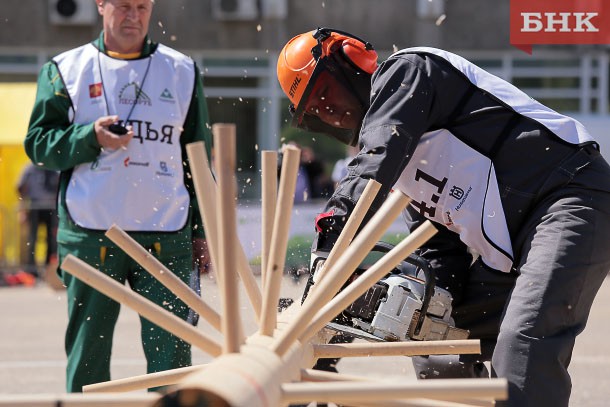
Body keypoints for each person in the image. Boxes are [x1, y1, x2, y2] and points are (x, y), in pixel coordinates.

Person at [276, 27, 610, 407]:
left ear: (350, 63)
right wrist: (424, 307)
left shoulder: (407, 71)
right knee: (434, 340)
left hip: (568, 196)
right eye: (316, 111)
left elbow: (379, 152)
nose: (329, 112)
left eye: (324, 93)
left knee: (524, 342)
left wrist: (334, 230)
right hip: (510, 249)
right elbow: (439, 251)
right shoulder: (403, 170)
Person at [24, 0, 213, 392]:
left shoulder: (181, 69)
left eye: (142, 7)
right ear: (101, 6)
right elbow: (39, 144)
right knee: (88, 355)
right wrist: (88, 136)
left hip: (166, 231)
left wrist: (202, 231)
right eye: (123, 6)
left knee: (172, 357)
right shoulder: (64, 69)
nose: (133, 16)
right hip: (92, 231)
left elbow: (197, 157)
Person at [16, 163, 60, 279]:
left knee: (52, 239)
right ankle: (31, 269)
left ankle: (48, 268)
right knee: (32, 239)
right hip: (35, 207)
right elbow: (21, 188)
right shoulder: (29, 169)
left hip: (50, 208)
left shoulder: (54, 168)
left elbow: (60, 186)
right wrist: (22, 208)